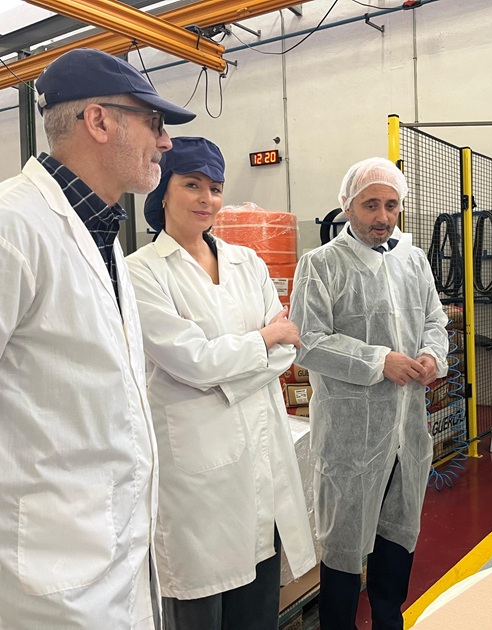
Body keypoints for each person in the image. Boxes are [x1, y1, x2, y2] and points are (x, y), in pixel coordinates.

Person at [0, 48, 193, 628]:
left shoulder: (101, 231)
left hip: (111, 558)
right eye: (154, 122)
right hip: (47, 574)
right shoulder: (13, 227)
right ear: (99, 121)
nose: (165, 142)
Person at [125, 137, 316, 629]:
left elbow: (287, 346)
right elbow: (194, 362)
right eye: (192, 184)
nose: (206, 198)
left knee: (257, 602)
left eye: (215, 188)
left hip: (259, 458)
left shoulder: (247, 263)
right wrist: (261, 341)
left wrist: (227, 370)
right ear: (162, 191)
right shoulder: (141, 273)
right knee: (200, 605)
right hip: (196, 475)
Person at [289, 157, 449, 630]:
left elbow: (435, 320)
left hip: (407, 432)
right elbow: (309, 342)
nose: (383, 216)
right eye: (371, 205)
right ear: (347, 205)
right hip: (350, 438)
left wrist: (431, 355)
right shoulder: (321, 265)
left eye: (392, 205)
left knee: (397, 537)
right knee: (343, 547)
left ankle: (387, 620)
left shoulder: (412, 261)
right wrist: (380, 361)